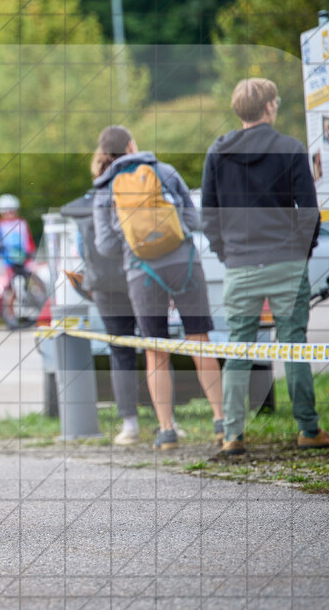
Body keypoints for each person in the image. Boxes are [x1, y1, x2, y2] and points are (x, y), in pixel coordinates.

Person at [202, 78, 329, 456]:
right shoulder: (290, 149)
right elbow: (308, 212)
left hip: (240, 264)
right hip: (286, 262)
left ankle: (232, 433)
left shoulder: (217, 152)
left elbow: (208, 214)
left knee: (238, 347)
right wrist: (302, 252)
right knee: (294, 344)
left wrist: (226, 253)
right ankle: (308, 430)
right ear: (268, 108)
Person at [93, 127, 225, 450]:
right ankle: (222, 421)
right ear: (131, 145)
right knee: (200, 340)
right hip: (185, 265)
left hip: (142, 272)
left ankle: (166, 430)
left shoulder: (103, 190)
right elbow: (193, 222)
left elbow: (106, 246)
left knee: (155, 349)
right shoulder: (164, 171)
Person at [85, 127, 144, 445]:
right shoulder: (139, 179)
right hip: (142, 274)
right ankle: (168, 421)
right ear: (130, 146)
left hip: (106, 283)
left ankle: (130, 426)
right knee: (156, 346)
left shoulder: (97, 189)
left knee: (120, 350)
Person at [0, 194, 36, 329]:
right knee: (12, 289)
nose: (9, 214)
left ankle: (30, 312)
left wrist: (30, 253)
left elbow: (28, 241)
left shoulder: (21, 223)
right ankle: (10, 316)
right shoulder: (0, 226)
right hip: (9, 263)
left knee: (28, 286)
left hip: (23, 260)